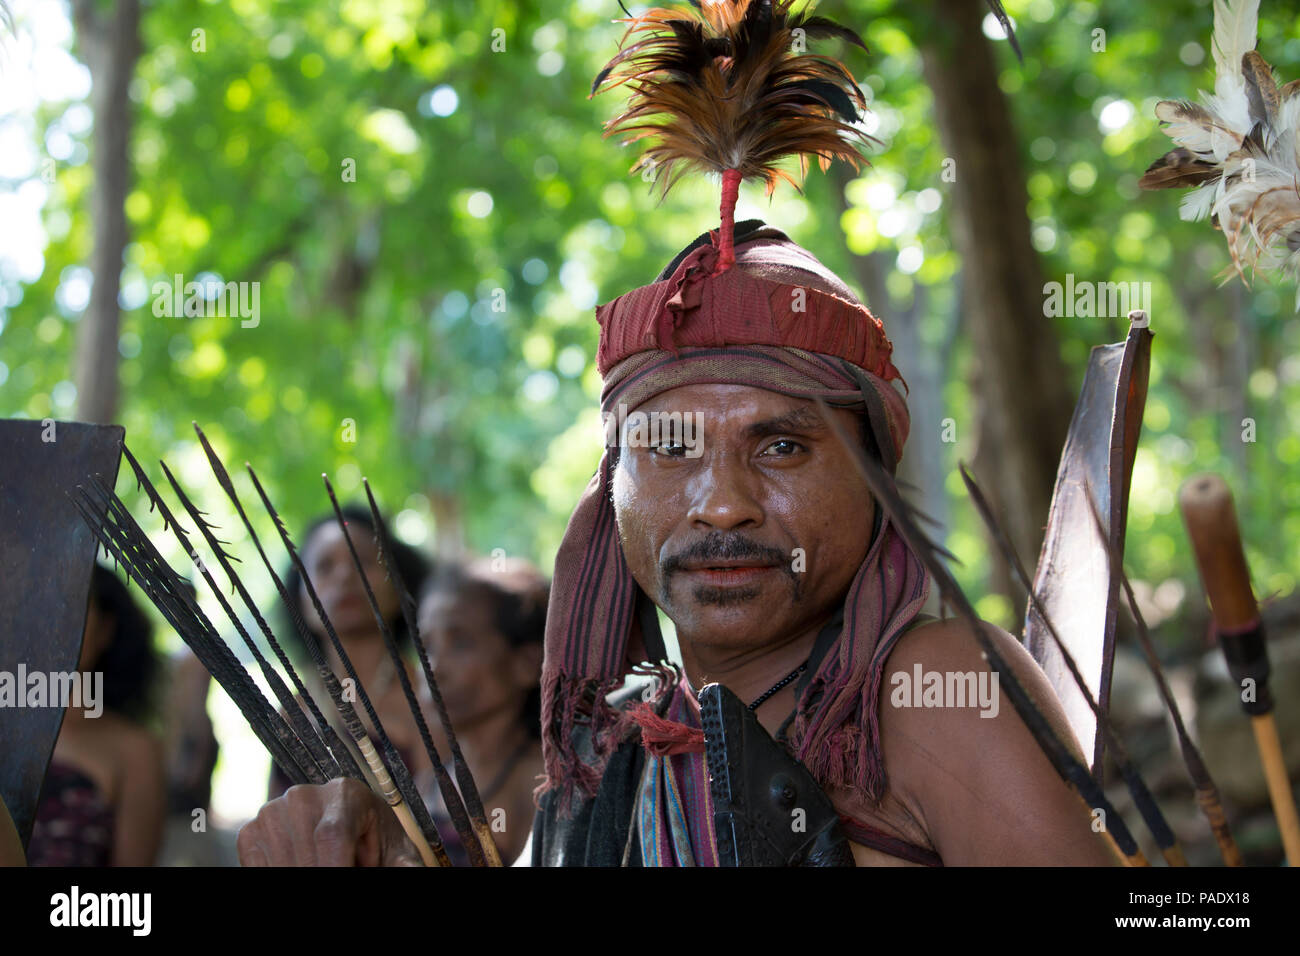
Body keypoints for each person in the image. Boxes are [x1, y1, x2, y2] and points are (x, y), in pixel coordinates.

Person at [235, 3, 1116, 866]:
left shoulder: (933, 695)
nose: (723, 503)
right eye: (669, 448)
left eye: (781, 447)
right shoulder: (618, 744)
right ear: (608, 487)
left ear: (875, 481)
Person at [267, 505, 433, 800]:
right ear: (300, 598)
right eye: (325, 566)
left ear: (398, 587)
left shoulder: (427, 702)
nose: (345, 576)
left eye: (363, 561)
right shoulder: (295, 713)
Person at [27, 563, 166, 867]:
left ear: (105, 630)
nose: (49, 621)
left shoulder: (135, 751)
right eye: (37, 600)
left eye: (68, 604)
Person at [414, 557, 547, 865]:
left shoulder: (541, 783)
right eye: (426, 646)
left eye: (460, 644)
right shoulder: (432, 782)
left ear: (526, 664)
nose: (433, 667)